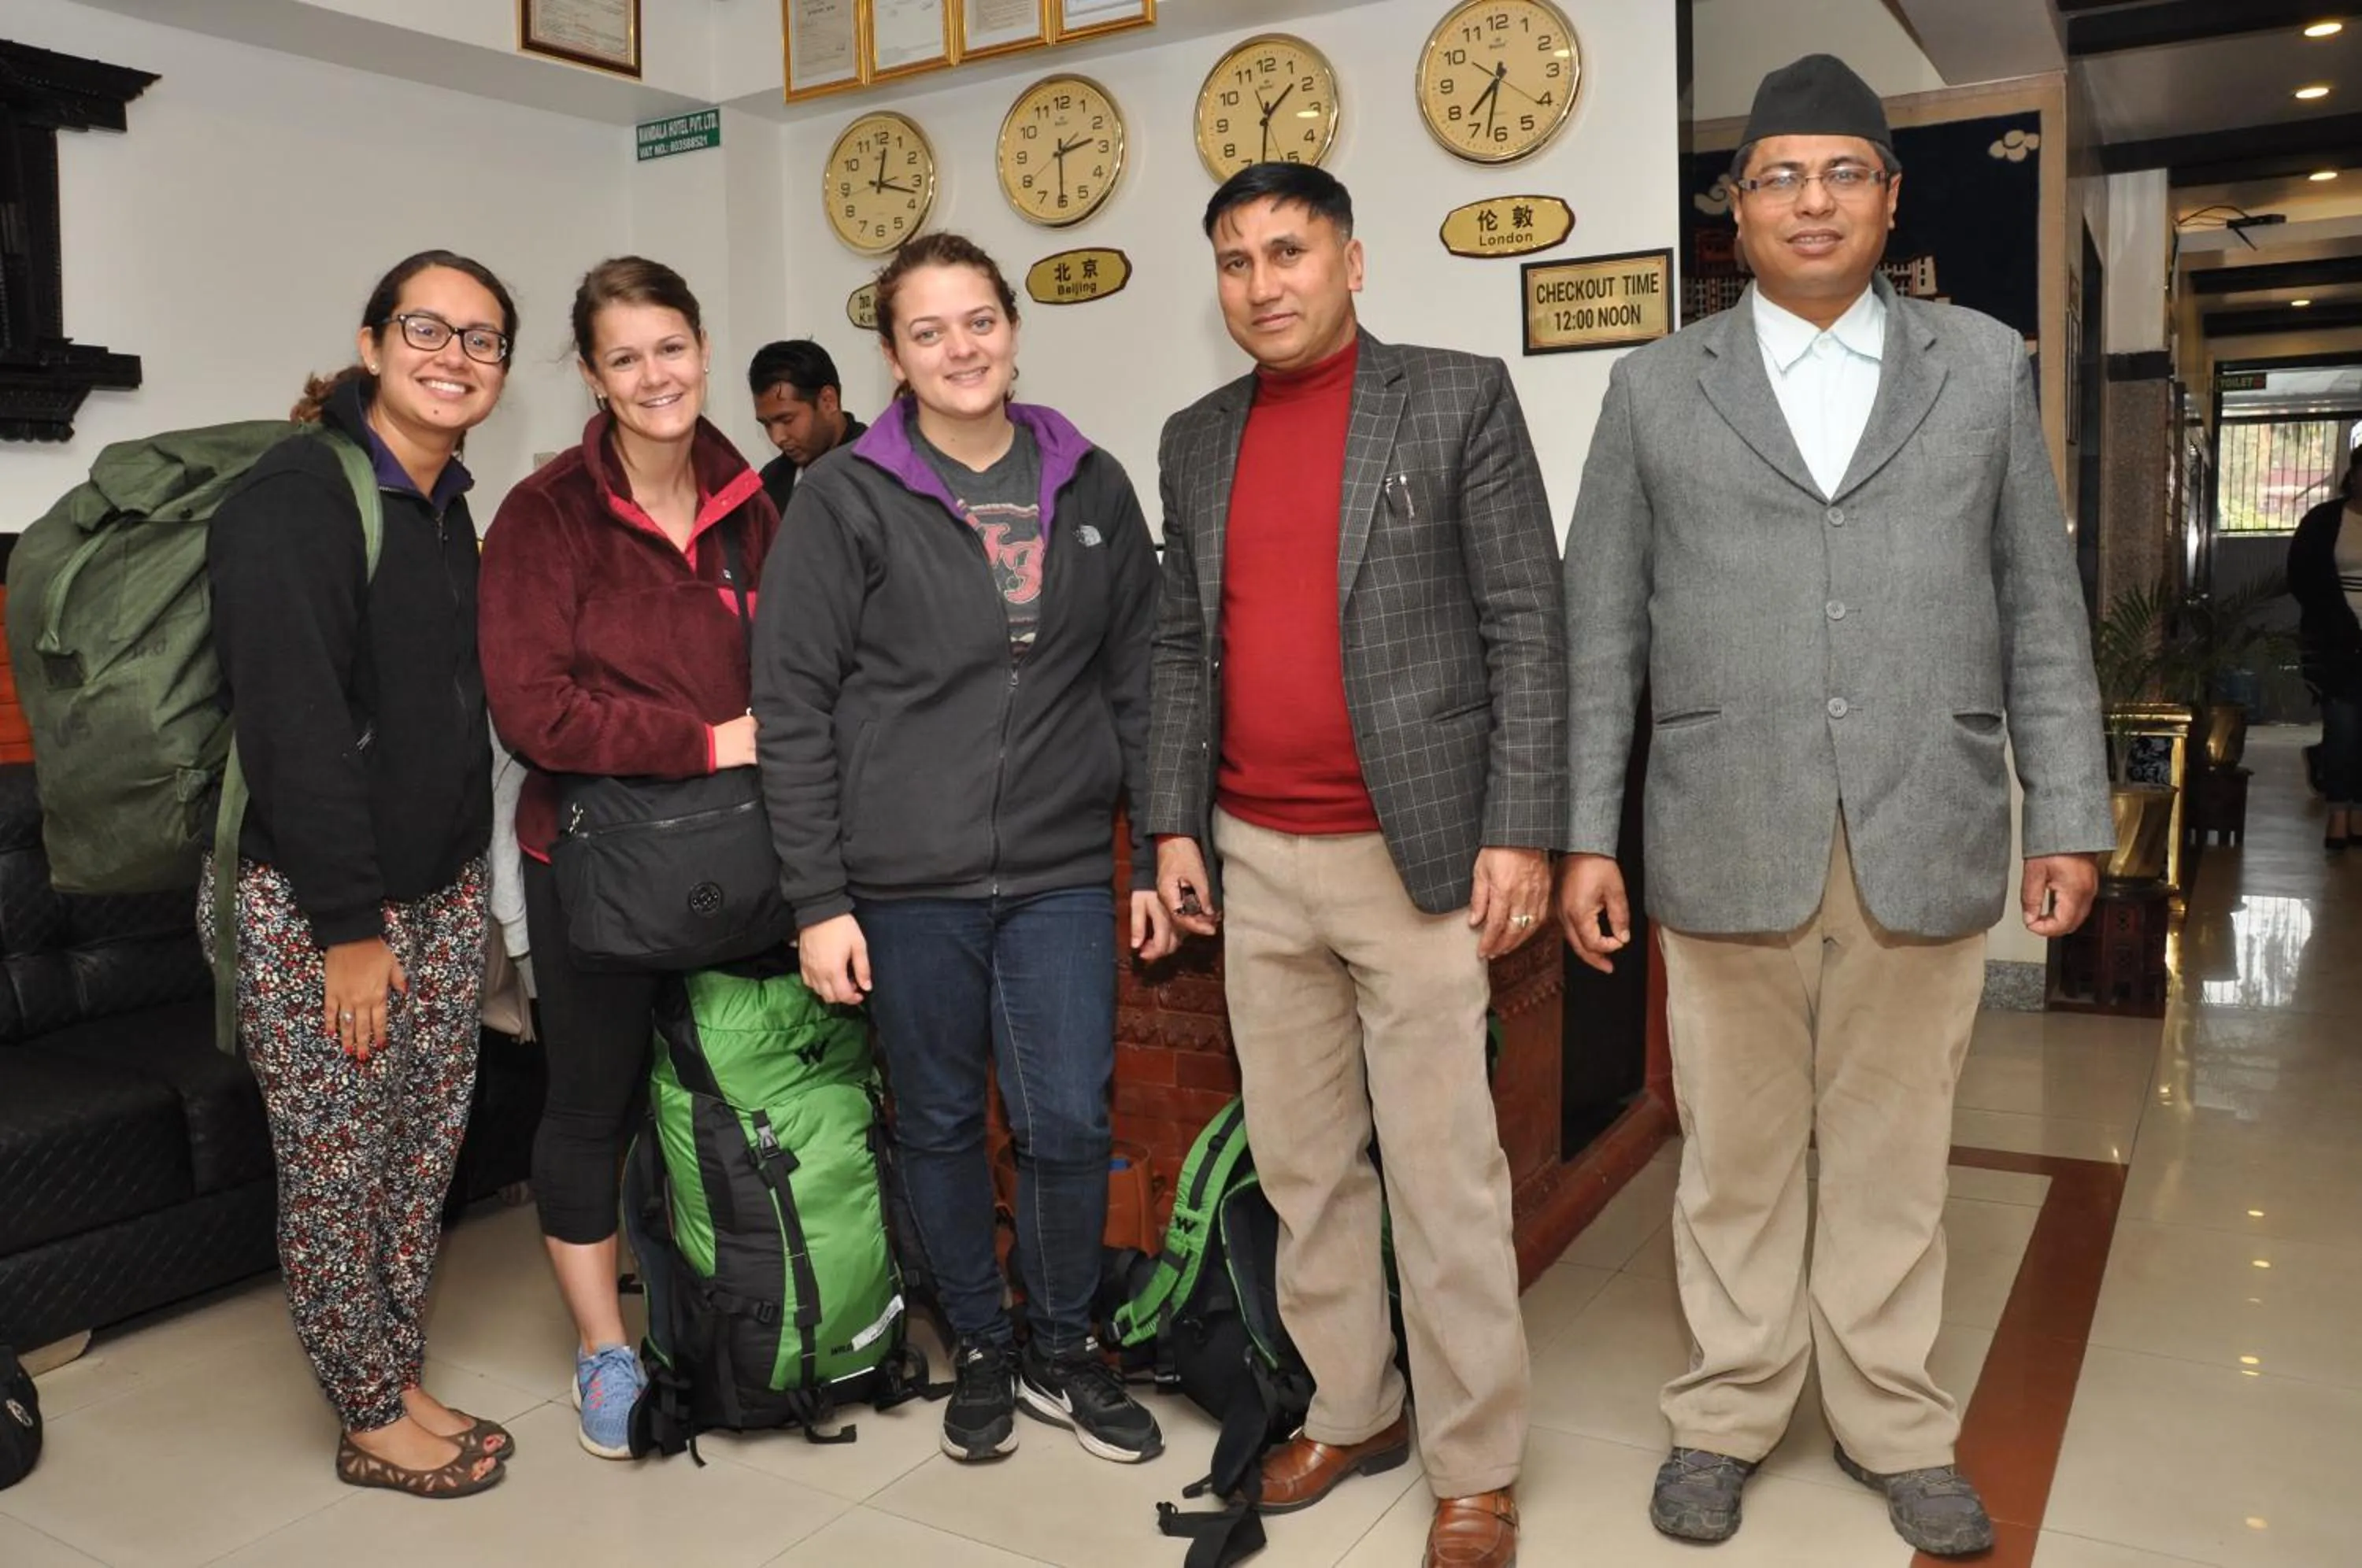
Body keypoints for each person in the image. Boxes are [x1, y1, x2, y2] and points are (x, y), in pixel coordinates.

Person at [1557, 55, 2115, 1557]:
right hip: (1722, 823)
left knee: (1893, 1153)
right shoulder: (1654, 387)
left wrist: (2070, 810)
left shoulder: (1981, 366)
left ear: (1890, 196)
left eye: (1843, 172)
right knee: (1735, 1158)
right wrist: (1586, 837)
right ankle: (1725, 1412)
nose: (1813, 200)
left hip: (1925, 818)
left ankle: (1895, 1422)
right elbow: (1600, 630)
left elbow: (2039, 605)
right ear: (1736, 208)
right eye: (1780, 176)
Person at [1147, 162, 1565, 1568]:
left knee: (1446, 1179)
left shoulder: (1454, 398)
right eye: (1236, 260)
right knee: (1306, 1166)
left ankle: (1476, 1465)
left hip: (1419, 857)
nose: (1262, 283)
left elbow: (1527, 622)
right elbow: (1178, 645)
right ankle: (1354, 1407)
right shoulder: (1195, 437)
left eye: (1289, 251)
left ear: (1352, 260)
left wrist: (1522, 827)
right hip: (1254, 858)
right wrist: (1172, 822)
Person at [753, 231, 1172, 1467]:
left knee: (1067, 1120)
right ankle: (981, 1343)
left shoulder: (1090, 481)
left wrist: (1160, 847)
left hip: (1058, 871)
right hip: (902, 882)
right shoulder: (843, 496)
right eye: (927, 331)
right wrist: (817, 899)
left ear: (1013, 329)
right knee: (937, 1120)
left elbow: (1142, 679)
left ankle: (1061, 1346)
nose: (960, 349)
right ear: (893, 357)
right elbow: (793, 704)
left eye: (979, 320)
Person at [203, 249, 519, 1498]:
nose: (455, 357)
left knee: (417, 1155)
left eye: (483, 339)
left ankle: (394, 1372)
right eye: (427, 329)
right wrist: (347, 928)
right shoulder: (296, 498)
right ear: (373, 343)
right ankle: (368, 1412)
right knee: (340, 1168)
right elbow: (293, 730)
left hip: (435, 891)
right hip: (321, 906)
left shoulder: (444, 504)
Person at [479, 257, 779, 1459]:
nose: (656, 375)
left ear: (702, 348)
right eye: (625, 357)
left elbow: (798, 669)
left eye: (672, 348)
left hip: (738, 859)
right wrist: (703, 741)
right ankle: (606, 1349)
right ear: (593, 378)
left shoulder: (752, 502)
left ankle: (740, 1310)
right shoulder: (543, 515)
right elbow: (533, 713)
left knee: (739, 1088)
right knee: (592, 1104)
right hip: (594, 868)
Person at [2289, 450, 2362, 848]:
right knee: (2344, 726)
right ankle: (2338, 812)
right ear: (2353, 476)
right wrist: (2338, 621)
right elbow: (2302, 576)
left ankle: (2358, 812)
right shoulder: (2324, 521)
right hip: (2337, 643)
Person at [750, 338, 868, 514]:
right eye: (767, 424)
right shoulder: (770, 481)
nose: (777, 438)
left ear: (828, 401)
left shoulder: (877, 473)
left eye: (787, 420)